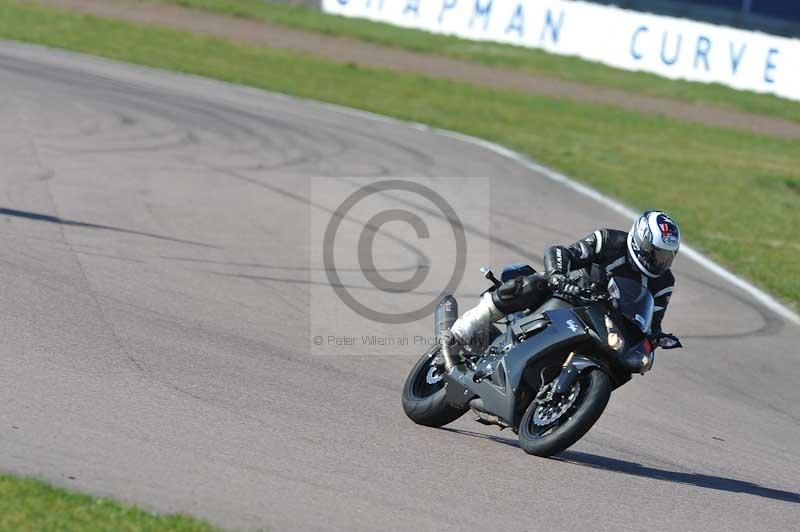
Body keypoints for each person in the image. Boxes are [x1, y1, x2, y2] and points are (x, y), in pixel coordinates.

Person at [450, 210, 680, 344]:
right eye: (656, 252)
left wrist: (658, 338)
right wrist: (558, 276)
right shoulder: (609, 240)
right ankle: (470, 323)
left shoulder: (664, 283)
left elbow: (652, 323)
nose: (660, 261)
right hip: (569, 294)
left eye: (667, 256)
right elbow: (562, 252)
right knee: (535, 282)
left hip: (605, 325)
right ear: (641, 240)